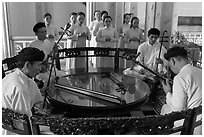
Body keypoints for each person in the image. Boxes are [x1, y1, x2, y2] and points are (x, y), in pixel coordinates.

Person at [2, 47, 45, 135]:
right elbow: (24, 124)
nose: (40, 69)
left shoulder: (10, 77)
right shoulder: (20, 88)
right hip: (15, 131)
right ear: (27, 64)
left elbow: (38, 104)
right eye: (38, 65)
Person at [161, 46, 202, 135]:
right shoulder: (200, 71)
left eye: (169, 64)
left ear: (172, 61)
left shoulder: (180, 77)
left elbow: (178, 110)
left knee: (164, 107)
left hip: (191, 124)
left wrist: (168, 92)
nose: (171, 68)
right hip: (201, 121)